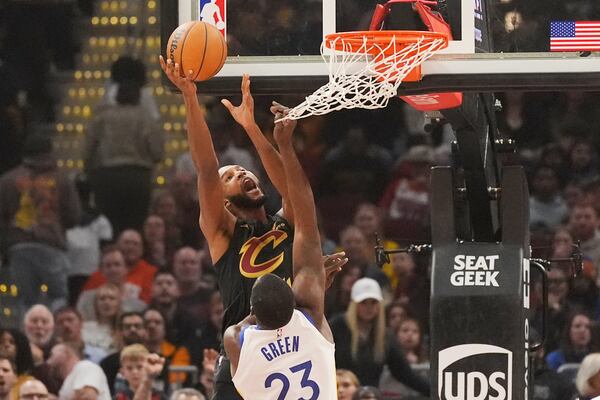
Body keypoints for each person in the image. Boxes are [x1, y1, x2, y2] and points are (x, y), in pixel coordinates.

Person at [223, 104, 338, 399]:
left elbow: (292, 195)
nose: (241, 172)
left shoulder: (237, 340)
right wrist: (285, 144)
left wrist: (255, 130)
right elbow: (304, 205)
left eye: (242, 170)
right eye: (229, 176)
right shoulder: (310, 319)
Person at [0, 133, 81, 312]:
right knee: (58, 296)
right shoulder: (62, 180)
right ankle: (54, 334)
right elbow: (74, 216)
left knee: (25, 300)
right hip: (51, 245)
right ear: (50, 152)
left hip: (18, 244)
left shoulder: (7, 180)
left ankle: (26, 336)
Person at [85, 66, 164, 234]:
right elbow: (157, 152)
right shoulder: (146, 118)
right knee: (135, 227)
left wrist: (89, 172)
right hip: (137, 177)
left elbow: (88, 149)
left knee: (108, 227)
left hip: (106, 176)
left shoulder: (102, 117)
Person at [329, 278, 430, 395]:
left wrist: (436, 391)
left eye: (373, 302)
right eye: (363, 302)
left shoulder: (385, 336)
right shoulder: (337, 327)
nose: (369, 307)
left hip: (369, 396)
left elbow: (404, 373)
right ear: (353, 304)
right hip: (339, 394)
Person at [47, 341, 111, 400]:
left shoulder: (85, 367)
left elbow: (88, 396)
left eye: (52, 355)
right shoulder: (71, 378)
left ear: (65, 353)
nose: (48, 362)